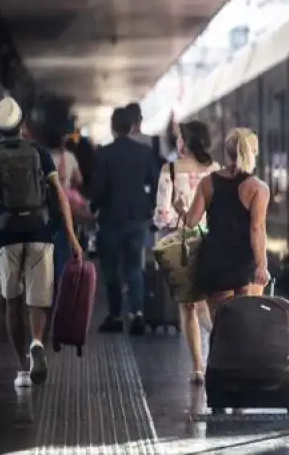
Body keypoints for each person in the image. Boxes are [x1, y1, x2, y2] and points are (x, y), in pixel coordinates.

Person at [0, 97, 83, 389]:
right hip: (40, 232)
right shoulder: (39, 152)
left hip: (6, 236)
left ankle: (22, 367)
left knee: (12, 301)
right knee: (38, 299)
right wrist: (71, 236)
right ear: (22, 125)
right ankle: (36, 343)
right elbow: (59, 195)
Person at [174, 128, 270, 317]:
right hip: (245, 264)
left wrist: (180, 209)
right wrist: (261, 265)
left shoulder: (207, 183)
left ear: (227, 152)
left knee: (221, 327)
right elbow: (257, 228)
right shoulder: (258, 187)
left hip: (216, 262)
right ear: (253, 153)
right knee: (248, 326)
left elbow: (191, 222)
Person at [153, 121, 218, 384]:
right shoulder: (216, 171)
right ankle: (221, 354)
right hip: (212, 242)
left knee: (188, 305)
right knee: (210, 304)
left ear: (186, 142)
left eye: (179, 138)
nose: (176, 142)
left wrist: (173, 217)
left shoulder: (169, 170)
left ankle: (198, 368)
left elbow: (162, 215)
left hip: (183, 243)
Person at [91, 107, 159, 335]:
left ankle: (116, 316)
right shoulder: (144, 152)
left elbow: (98, 188)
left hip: (111, 219)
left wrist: (94, 207)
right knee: (133, 268)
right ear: (131, 126)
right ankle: (137, 313)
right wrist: (149, 207)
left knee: (111, 270)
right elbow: (156, 183)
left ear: (113, 128)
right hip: (137, 218)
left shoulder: (104, 154)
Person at [45, 128, 84, 279]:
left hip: (46, 207)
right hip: (66, 206)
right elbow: (79, 180)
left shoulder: (42, 157)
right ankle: (63, 283)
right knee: (64, 243)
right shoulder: (69, 157)